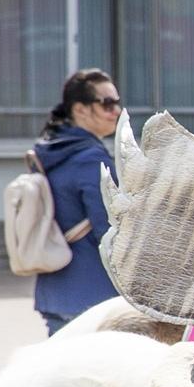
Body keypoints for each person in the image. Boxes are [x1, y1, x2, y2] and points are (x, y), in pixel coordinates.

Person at [31, 68, 123, 334]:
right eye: (107, 103)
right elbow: (111, 231)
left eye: (116, 102)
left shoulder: (51, 152)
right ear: (80, 109)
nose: (115, 110)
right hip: (94, 298)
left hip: (57, 288)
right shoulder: (90, 160)